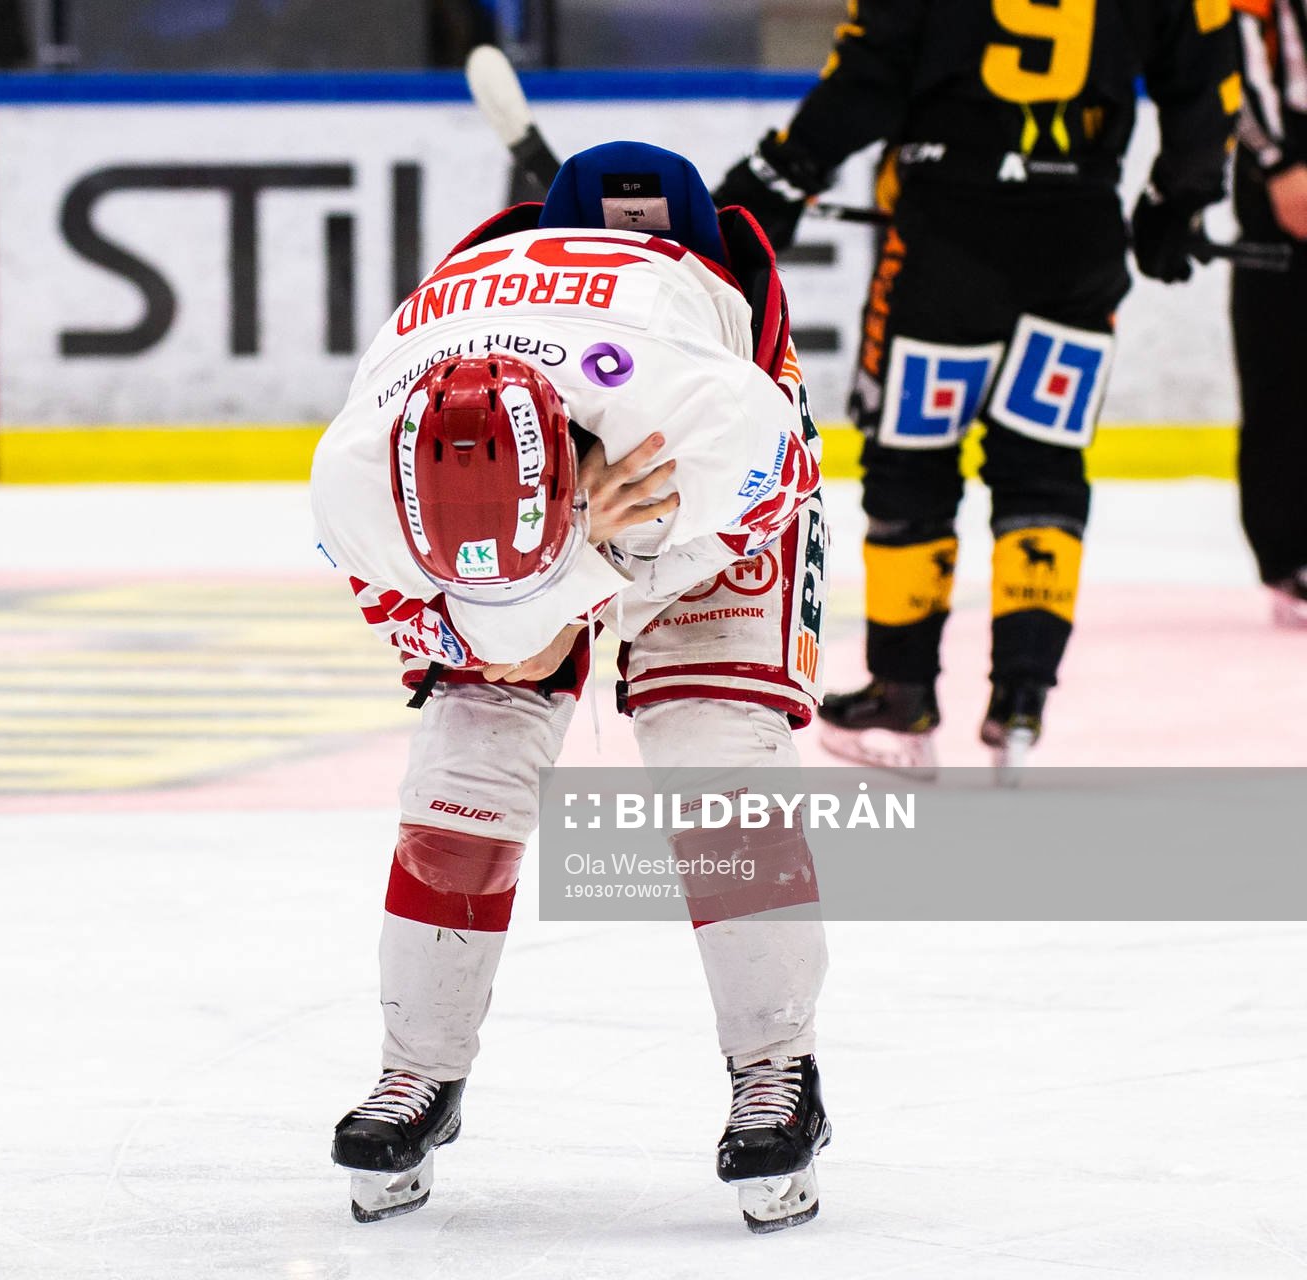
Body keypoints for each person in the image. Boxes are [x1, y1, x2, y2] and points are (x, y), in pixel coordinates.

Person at [311, 142, 832, 1233]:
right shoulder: (356, 485)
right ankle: (418, 1069)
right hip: (548, 473)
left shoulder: (714, 421)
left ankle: (779, 1067)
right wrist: (547, 588)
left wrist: (609, 554)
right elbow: (503, 646)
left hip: (685, 482)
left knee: (715, 752)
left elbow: (776, 487)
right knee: (465, 766)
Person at [713, 0, 1240, 771]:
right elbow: (1207, 70)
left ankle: (903, 692)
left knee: (912, 458)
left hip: (945, 241)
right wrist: (1178, 198)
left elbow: (871, 69)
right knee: (1044, 460)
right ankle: (1022, 697)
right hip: (1079, 239)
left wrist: (780, 175)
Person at [1230, 0, 1307, 627]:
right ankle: (1290, 557)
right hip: (1285, 161)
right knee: (1282, 368)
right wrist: (1275, 160)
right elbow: (1229, 53)